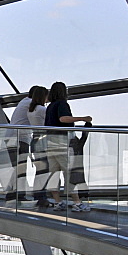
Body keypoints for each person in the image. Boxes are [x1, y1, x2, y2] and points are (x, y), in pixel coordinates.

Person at [44, 82, 92, 212]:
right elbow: (63, 119)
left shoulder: (50, 107)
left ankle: (58, 202)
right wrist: (83, 118)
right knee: (70, 173)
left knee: (53, 174)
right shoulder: (62, 104)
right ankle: (77, 203)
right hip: (62, 142)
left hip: (50, 143)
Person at [8, 85, 48, 202]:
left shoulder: (24, 102)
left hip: (10, 137)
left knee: (18, 169)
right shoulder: (34, 106)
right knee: (21, 169)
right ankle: (20, 195)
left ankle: (12, 194)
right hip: (21, 139)